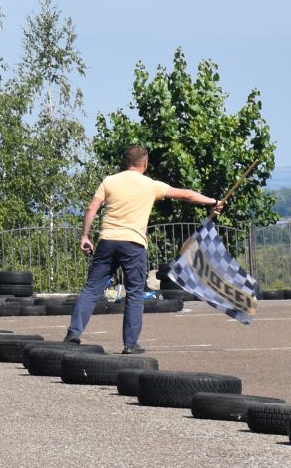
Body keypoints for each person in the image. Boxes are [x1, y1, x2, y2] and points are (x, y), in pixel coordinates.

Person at [66, 146, 221, 352]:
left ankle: (73, 334)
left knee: (92, 289)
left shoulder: (109, 181)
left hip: (107, 241)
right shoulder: (150, 185)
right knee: (135, 293)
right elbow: (186, 195)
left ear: (126, 162)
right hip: (134, 244)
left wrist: (85, 236)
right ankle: (130, 345)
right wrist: (213, 202)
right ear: (145, 163)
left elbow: (91, 208)